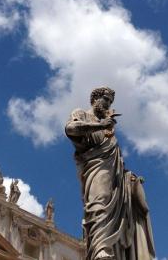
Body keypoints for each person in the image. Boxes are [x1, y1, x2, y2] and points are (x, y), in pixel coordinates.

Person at [65, 86, 155, 260]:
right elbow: (70, 128)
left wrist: (129, 178)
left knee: (112, 208)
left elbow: (117, 161)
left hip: (115, 176)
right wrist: (99, 125)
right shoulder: (81, 113)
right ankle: (100, 250)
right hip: (94, 167)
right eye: (106, 99)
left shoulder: (109, 131)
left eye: (110, 102)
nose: (108, 104)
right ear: (95, 99)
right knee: (98, 203)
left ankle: (111, 250)